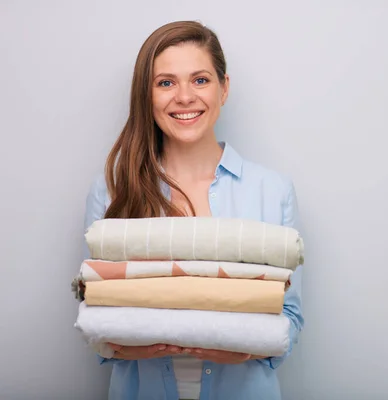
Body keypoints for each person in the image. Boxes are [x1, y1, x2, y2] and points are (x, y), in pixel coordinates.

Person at [82, 20, 304, 400]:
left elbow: (290, 318)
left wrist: (245, 347)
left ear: (224, 88)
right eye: (165, 82)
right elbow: (96, 310)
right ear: (146, 95)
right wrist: (119, 347)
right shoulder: (113, 190)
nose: (185, 97)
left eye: (200, 80)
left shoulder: (272, 191)